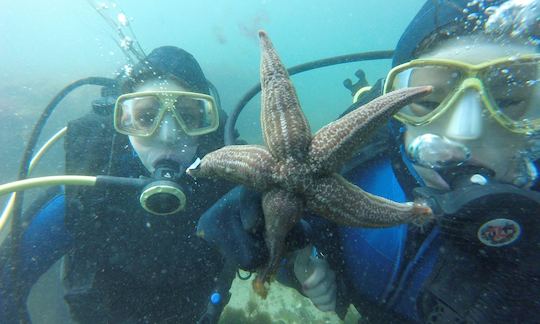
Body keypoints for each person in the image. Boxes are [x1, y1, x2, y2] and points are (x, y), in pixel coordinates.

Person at [200, 0, 540, 322]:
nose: (466, 133)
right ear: (395, 106)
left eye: (509, 101)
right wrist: (295, 262)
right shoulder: (362, 167)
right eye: (430, 99)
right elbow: (303, 233)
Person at [0, 46, 241, 323]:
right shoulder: (86, 196)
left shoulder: (229, 191)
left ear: (208, 123)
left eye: (187, 117)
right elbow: (6, 282)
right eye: (147, 117)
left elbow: (289, 261)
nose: (167, 135)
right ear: (123, 121)